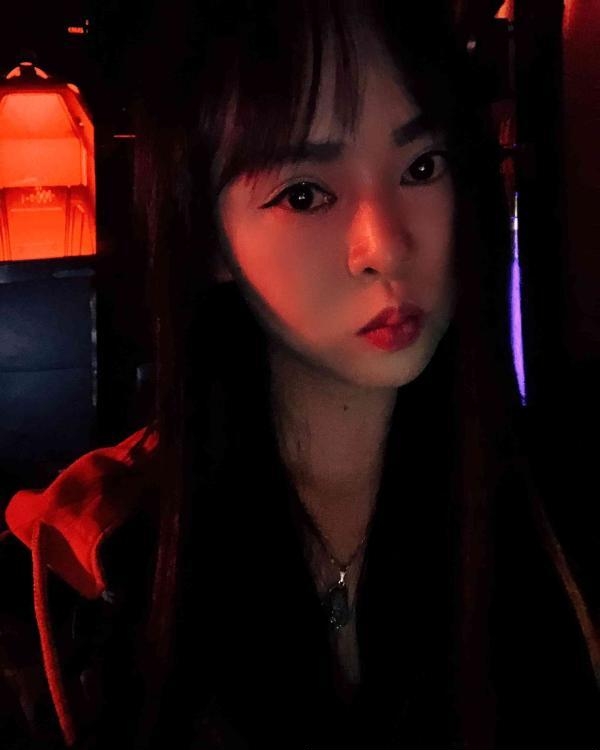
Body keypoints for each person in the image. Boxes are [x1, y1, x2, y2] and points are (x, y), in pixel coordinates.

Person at [1, 1, 599, 748]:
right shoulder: (88, 569)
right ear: (209, 235)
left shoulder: (559, 507)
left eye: (422, 167)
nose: (384, 246)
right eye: (306, 194)